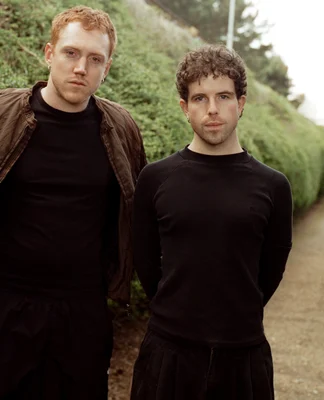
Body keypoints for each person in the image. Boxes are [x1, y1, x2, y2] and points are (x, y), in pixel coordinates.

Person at [130, 44, 293, 400]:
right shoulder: (155, 179)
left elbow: (271, 270)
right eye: (200, 98)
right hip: (168, 355)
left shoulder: (273, 186)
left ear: (241, 103)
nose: (213, 109)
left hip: (243, 356)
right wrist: (178, 312)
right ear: (184, 108)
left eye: (223, 96)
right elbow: (145, 261)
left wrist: (235, 314)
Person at [0, 5, 146, 399]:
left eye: (95, 59)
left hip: (83, 313)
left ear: (107, 67)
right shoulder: (4, 115)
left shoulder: (121, 129)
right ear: (49, 53)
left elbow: (137, 215)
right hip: (7, 305)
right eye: (71, 53)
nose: (81, 68)